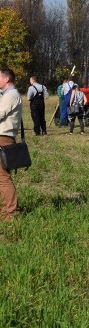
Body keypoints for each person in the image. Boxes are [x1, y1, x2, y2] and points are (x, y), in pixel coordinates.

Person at [0, 68, 22, 221]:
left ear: (6, 79)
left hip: (3, 137)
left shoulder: (11, 95)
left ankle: (12, 213)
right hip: (3, 136)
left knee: (3, 177)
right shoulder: (7, 95)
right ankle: (5, 210)